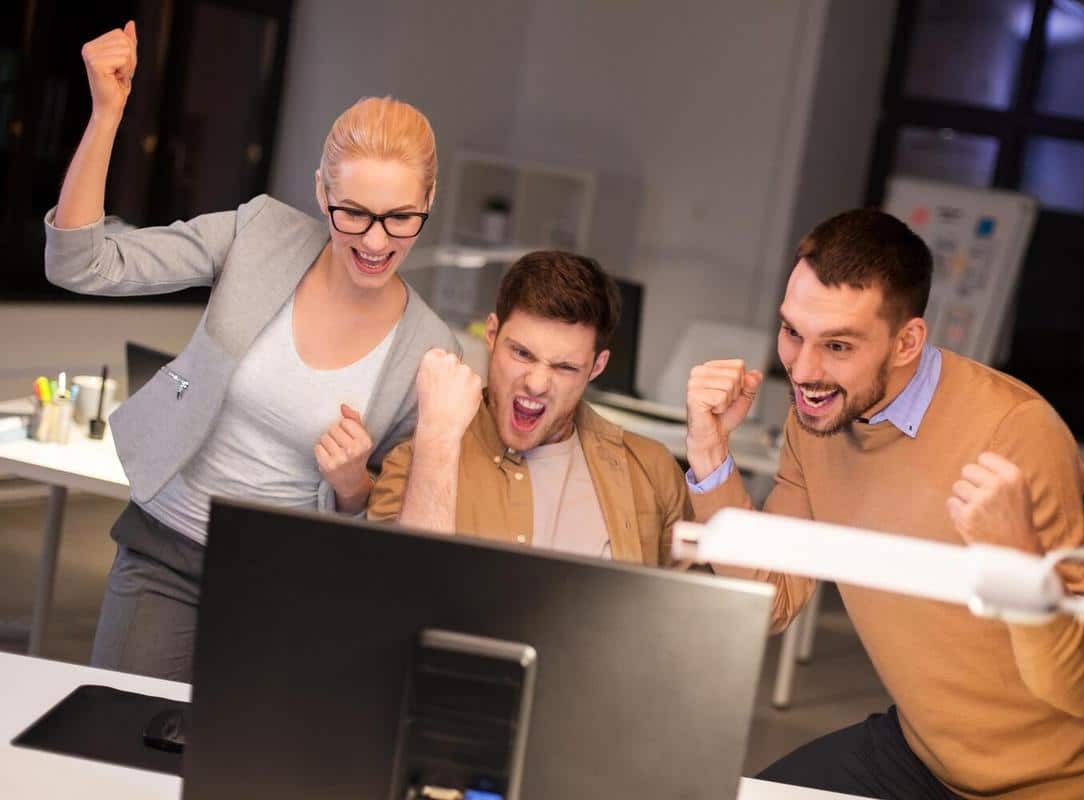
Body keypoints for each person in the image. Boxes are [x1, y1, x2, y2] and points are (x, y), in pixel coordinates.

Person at [684, 209, 1084, 799]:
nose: (803, 371)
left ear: (907, 341)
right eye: (792, 333)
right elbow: (769, 601)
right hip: (926, 756)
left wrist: (1020, 562)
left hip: (1068, 783)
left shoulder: (1015, 431)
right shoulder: (818, 417)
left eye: (837, 345)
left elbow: (1082, 690)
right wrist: (709, 455)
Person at [44, 21, 459, 681]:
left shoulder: (430, 352)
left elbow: (399, 539)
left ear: (429, 202)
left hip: (285, 588)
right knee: (120, 731)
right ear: (322, 192)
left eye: (401, 217)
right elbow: (84, 264)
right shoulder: (259, 234)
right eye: (353, 212)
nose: (376, 241)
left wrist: (354, 485)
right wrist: (105, 116)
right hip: (165, 550)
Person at [368, 250, 690, 566]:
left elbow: (698, 595)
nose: (536, 384)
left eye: (564, 367)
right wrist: (438, 441)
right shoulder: (419, 460)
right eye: (522, 354)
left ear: (597, 366)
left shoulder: (652, 471)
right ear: (492, 334)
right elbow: (397, 584)